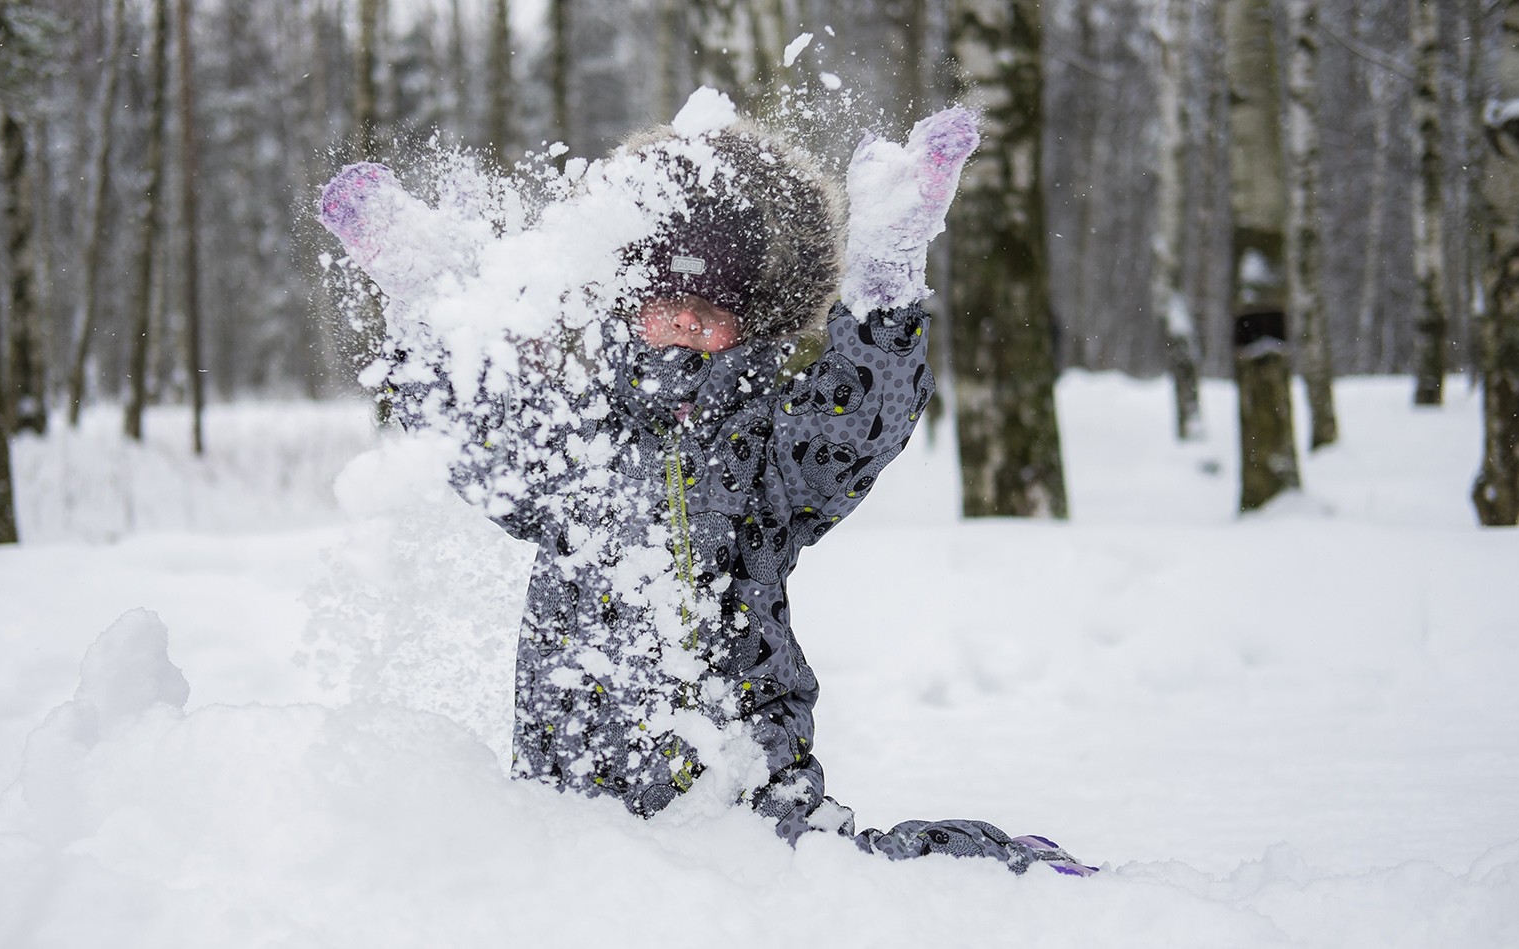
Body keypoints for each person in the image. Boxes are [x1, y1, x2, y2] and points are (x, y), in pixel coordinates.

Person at [320, 102, 1093, 876]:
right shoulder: (579, 447)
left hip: (745, 798)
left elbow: (857, 420)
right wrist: (426, 296)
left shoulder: (770, 448)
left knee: (857, 882)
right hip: (577, 798)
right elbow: (483, 426)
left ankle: (1004, 869)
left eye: (713, 305)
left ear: (750, 321)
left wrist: (885, 279)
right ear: (631, 307)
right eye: (667, 299)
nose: (687, 316)